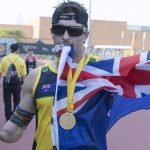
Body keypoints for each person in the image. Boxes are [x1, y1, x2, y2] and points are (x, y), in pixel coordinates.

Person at [0, 43, 27, 121]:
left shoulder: (4, 59)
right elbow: (24, 75)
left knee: (7, 101)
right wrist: (23, 85)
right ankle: (14, 119)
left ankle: (7, 119)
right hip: (17, 83)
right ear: (17, 50)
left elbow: (0, 72)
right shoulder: (21, 60)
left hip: (6, 82)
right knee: (17, 100)